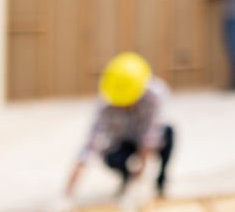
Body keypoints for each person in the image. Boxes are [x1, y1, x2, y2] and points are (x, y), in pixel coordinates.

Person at [66, 52, 175, 198]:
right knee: (110, 156)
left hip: (144, 137)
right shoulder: (106, 103)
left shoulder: (153, 95)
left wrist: (140, 175)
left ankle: (161, 180)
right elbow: (90, 144)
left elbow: (150, 135)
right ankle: (126, 178)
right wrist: (67, 193)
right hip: (124, 141)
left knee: (169, 133)